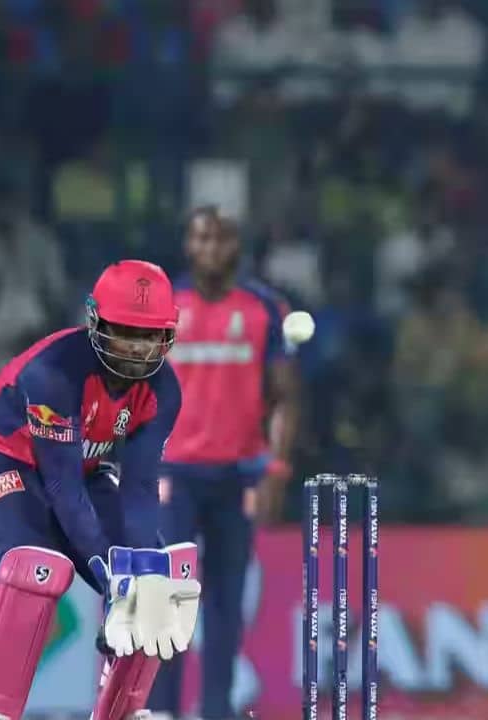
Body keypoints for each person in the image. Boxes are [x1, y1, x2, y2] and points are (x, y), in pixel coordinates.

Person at [0, 259, 201, 720]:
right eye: (125, 332)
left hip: (81, 467)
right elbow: (61, 489)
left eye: (149, 335)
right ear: (96, 323)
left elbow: (140, 488)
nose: (137, 348)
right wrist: (113, 578)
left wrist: (137, 574)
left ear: (167, 336)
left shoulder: (164, 390)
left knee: (154, 575)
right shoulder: (54, 372)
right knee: (36, 567)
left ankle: (123, 705)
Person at [148, 209, 301, 718]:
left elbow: (285, 397)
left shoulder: (264, 308)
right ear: (188, 246)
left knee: (226, 604)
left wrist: (276, 469)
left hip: (238, 475)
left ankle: (217, 710)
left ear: (236, 246)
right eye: (201, 238)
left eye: (221, 239)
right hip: (173, 474)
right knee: (167, 594)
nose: (211, 248)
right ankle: (161, 710)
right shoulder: (163, 306)